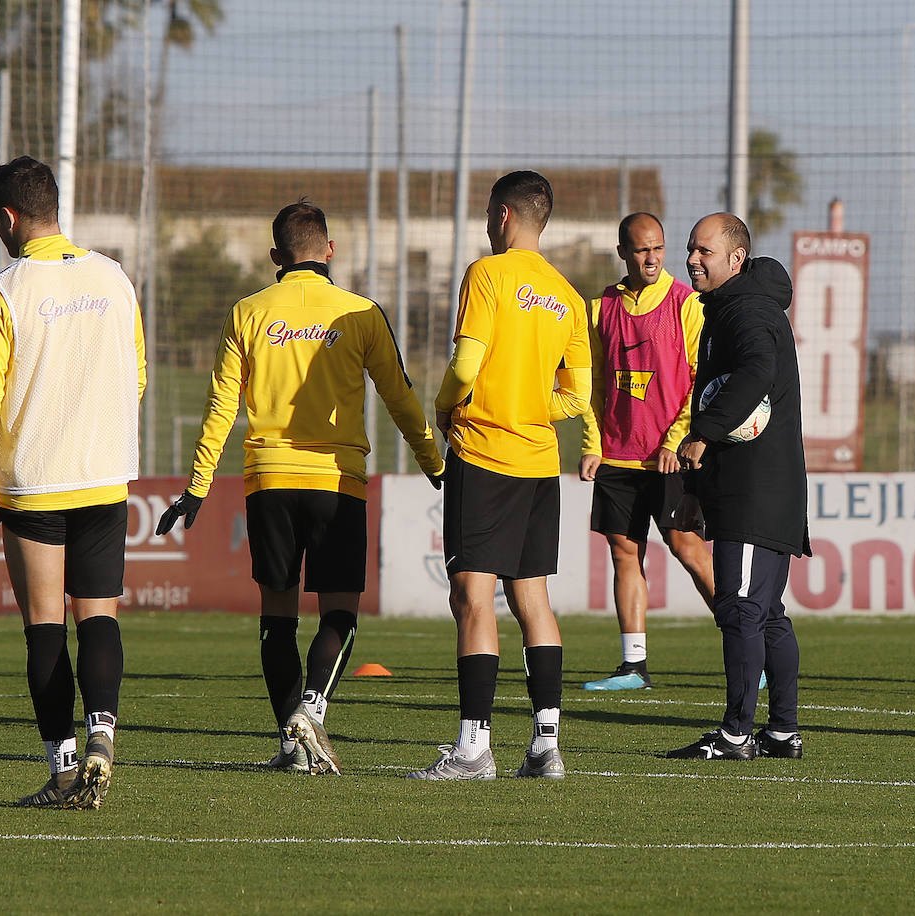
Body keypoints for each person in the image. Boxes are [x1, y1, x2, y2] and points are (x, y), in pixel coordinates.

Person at [157, 199, 443, 776]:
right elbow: (400, 395)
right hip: (338, 483)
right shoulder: (361, 312)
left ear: (274, 257)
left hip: (270, 481)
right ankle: (312, 710)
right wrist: (434, 462)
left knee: (277, 616)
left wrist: (197, 486)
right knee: (339, 610)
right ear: (330, 251)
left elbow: (221, 406)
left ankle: (291, 744)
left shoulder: (248, 312)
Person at [0, 157, 146, 808]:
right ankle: (104, 730)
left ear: (8, 217)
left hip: (35, 484)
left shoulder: (7, 292)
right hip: (104, 477)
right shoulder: (115, 278)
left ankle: (65, 766)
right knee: (98, 615)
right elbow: (137, 375)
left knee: (45, 627)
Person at [407, 170, 591, 781]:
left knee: (473, 599)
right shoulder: (567, 295)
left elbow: (465, 364)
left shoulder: (488, 274)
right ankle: (546, 744)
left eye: (491, 214)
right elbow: (578, 395)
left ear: (505, 216)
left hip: (484, 455)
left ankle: (473, 748)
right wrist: (533, 408)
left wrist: (444, 406)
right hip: (540, 463)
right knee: (532, 597)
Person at [667, 212, 809, 761]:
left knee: (743, 610)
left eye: (704, 251)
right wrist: (698, 490)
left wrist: (701, 434)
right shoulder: (729, 309)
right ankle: (780, 732)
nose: (692, 260)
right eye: (691, 249)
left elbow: (754, 373)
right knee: (765, 611)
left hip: (758, 490)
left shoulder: (747, 311)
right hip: (754, 488)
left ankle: (735, 734)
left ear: (736, 259)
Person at [578, 212, 715, 690]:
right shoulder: (598, 310)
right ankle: (633, 665)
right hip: (617, 455)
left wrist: (675, 440)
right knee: (624, 552)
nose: (652, 257)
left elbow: (699, 382)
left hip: (669, 454)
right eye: (641, 249)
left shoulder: (687, 304)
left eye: (658, 247)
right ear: (622, 253)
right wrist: (593, 444)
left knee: (687, 547)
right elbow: (591, 383)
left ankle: (748, 647)